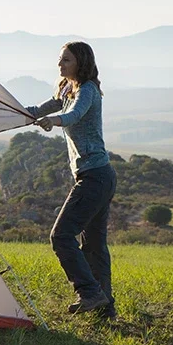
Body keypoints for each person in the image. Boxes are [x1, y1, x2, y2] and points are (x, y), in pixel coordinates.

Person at [27, 41, 117, 319]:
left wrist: (55, 122)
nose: (60, 65)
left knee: (61, 235)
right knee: (93, 246)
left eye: (66, 60)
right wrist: (2, 111)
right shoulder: (67, 89)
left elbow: (74, 114)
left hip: (95, 177)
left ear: (80, 62)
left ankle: (89, 292)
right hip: (98, 176)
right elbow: (37, 109)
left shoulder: (87, 90)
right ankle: (105, 310)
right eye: (60, 59)